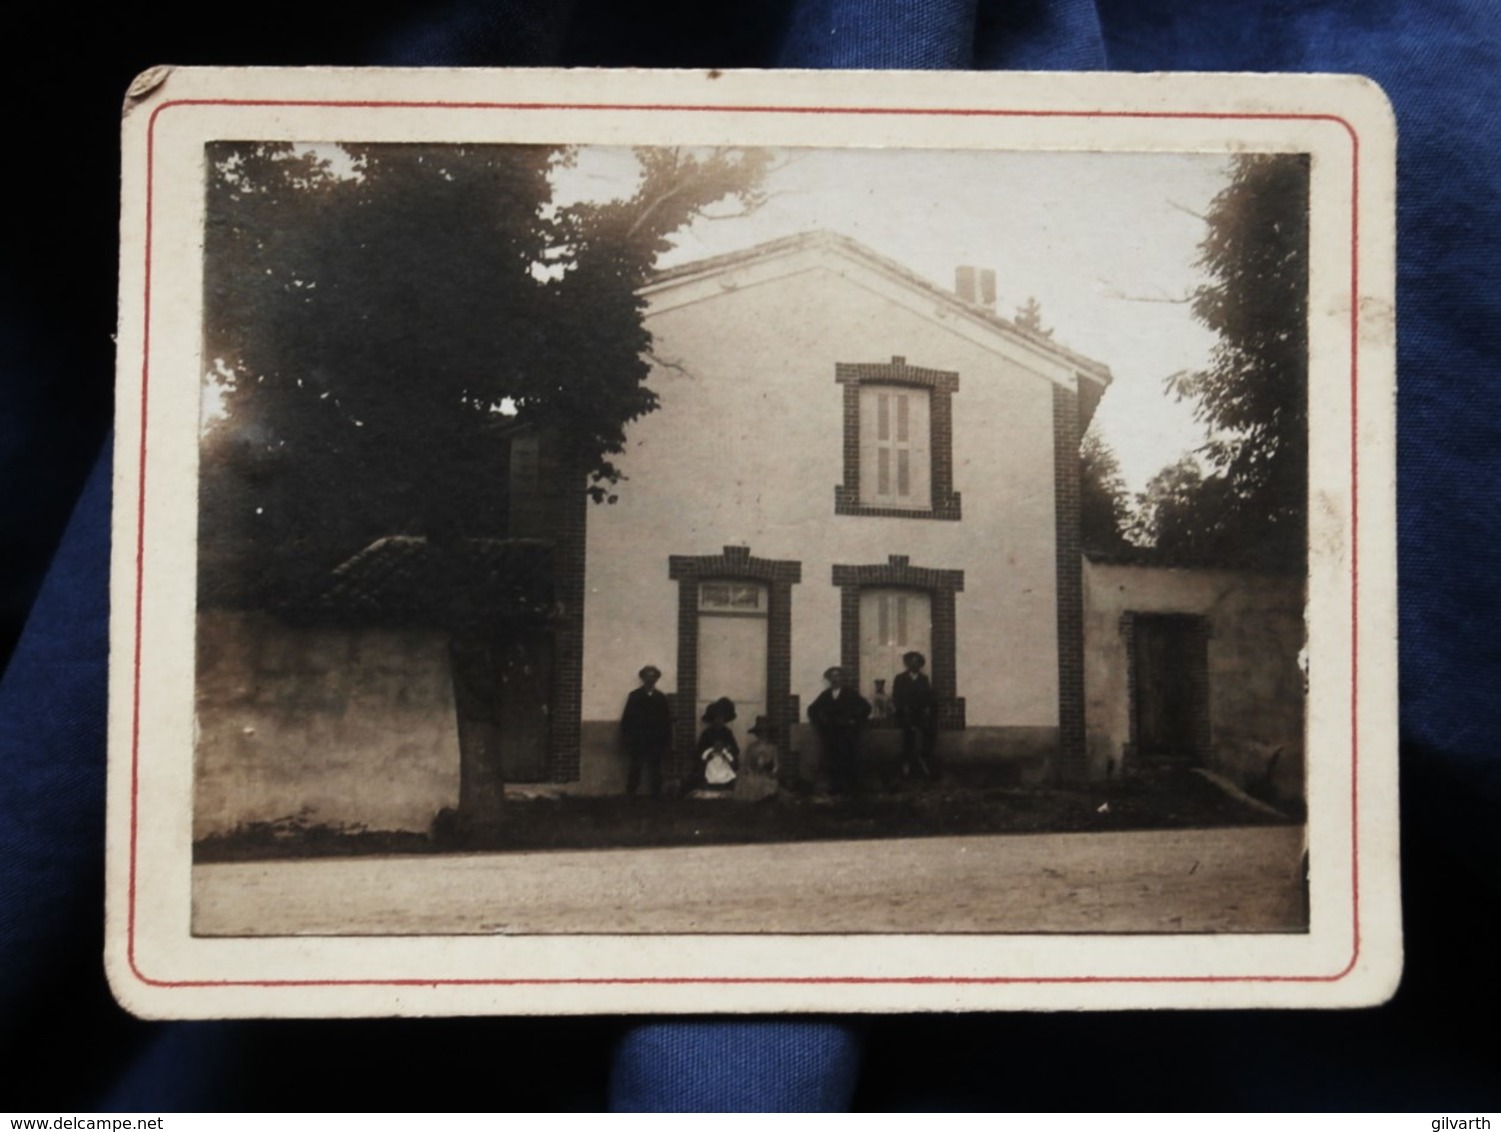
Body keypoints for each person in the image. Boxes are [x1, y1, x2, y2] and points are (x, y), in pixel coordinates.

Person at [807, 666, 871, 795]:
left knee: (848, 760)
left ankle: (851, 790)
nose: (835, 679)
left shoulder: (850, 693)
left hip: (847, 734)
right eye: (832, 676)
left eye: (838, 676)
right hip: (831, 735)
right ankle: (836, 788)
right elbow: (812, 710)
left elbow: (866, 707)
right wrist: (821, 723)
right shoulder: (825, 695)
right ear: (829, 679)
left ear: (842, 678)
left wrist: (855, 721)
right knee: (832, 760)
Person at [620, 664, 672, 797]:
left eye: (653, 677)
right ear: (643, 678)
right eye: (647, 676)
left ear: (656, 679)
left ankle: (656, 795)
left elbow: (666, 721)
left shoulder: (661, 698)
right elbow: (627, 719)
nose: (650, 680)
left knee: (655, 767)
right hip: (638, 738)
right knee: (635, 766)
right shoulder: (634, 696)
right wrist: (626, 738)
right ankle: (631, 794)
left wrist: (667, 740)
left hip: (656, 739)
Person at [892, 650, 938, 781]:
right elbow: (897, 697)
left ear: (920, 665)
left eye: (917, 662)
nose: (914, 665)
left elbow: (928, 697)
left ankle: (924, 764)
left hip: (920, 714)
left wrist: (927, 709)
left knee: (927, 736)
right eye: (911, 662)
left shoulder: (924, 679)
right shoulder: (900, 678)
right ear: (907, 664)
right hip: (905, 714)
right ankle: (905, 767)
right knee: (908, 739)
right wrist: (903, 709)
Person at [692, 696, 740, 797]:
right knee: (704, 769)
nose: (719, 721)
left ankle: (726, 786)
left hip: (723, 760)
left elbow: (735, 749)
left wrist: (726, 750)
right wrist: (709, 753)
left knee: (729, 768)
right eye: (716, 718)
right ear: (712, 719)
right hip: (710, 761)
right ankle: (707, 786)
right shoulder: (707, 733)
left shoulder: (727, 733)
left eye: (721, 718)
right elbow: (700, 751)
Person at [735, 716, 780, 802]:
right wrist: (751, 772)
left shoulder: (772, 748)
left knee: (769, 785)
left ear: (768, 733)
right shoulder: (751, 747)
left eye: (765, 732)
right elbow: (747, 763)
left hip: (766, 774)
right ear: (757, 734)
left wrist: (773, 772)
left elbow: (776, 764)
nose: (763, 735)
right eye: (760, 732)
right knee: (749, 782)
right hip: (754, 774)